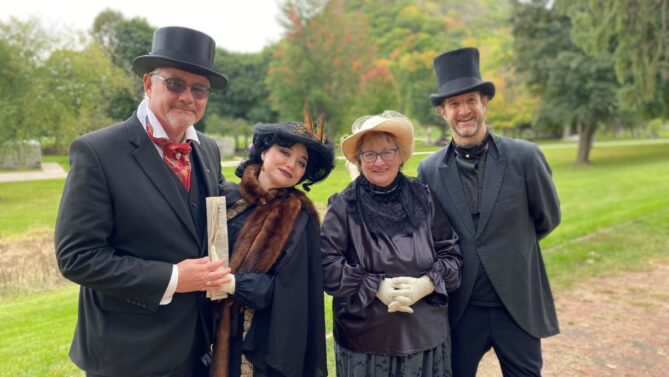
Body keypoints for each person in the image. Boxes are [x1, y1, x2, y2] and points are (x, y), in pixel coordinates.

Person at [55, 26, 230, 377]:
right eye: (175, 84)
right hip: (128, 353)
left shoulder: (208, 149)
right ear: (149, 84)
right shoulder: (97, 152)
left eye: (199, 89)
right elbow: (78, 257)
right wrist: (173, 277)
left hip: (198, 347)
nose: (187, 97)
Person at [417, 47, 561, 377]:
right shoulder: (428, 170)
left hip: (518, 304)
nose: (463, 111)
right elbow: (429, 237)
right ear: (442, 112)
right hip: (459, 309)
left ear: (485, 103)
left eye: (470, 101)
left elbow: (546, 219)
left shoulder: (525, 157)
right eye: (454, 104)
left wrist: (508, 246)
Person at [321, 110, 463, 377]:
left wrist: (427, 284)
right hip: (365, 342)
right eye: (369, 154)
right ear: (359, 160)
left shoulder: (425, 198)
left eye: (387, 152)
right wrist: (375, 287)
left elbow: (452, 255)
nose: (379, 162)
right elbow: (326, 265)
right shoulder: (343, 205)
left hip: (424, 336)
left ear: (400, 155)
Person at [209, 118, 334, 377]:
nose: (292, 164)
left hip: (260, 344)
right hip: (205, 332)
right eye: (285, 152)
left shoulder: (299, 218)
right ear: (264, 151)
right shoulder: (223, 198)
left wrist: (234, 284)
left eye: (301, 162)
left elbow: (292, 291)